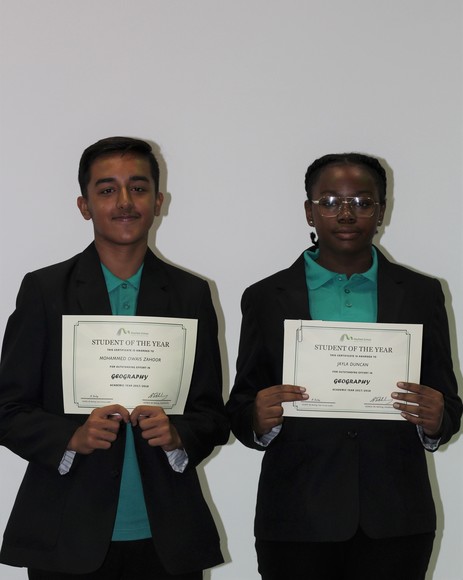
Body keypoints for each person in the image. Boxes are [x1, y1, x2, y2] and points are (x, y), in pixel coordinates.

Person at [0, 136, 229, 579]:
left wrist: (178, 434)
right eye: (107, 190)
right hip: (65, 532)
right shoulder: (45, 290)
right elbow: (7, 409)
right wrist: (73, 437)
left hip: (167, 536)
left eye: (138, 188)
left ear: (158, 201)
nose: (125, 201)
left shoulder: (190, 294)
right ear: (84, 205)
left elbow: (212, 415)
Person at [226, 153, 462, 580]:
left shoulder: (421, 294)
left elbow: (448, 403)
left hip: (395, 519)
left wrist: (437, 418)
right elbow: (241, 406)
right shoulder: (265, 297)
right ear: (309, 211)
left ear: (381, 212)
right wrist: (257, 418)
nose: (347, 214)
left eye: (362, 202)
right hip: (296, 518)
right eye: (331, 201)